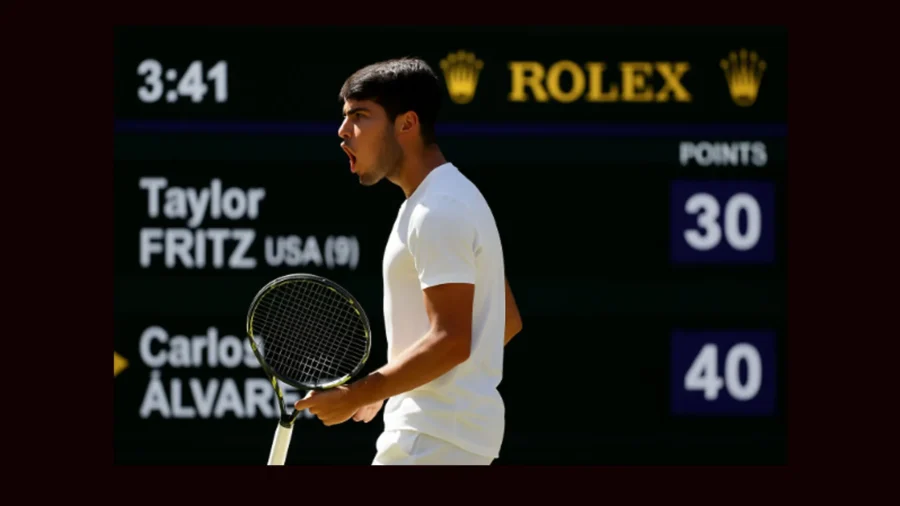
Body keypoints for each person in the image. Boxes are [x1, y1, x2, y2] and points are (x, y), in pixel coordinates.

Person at [293, 57, 523, 465]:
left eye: (360, 115)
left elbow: (453, 340)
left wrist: (358, 394)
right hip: (445, 439)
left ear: (407, 124)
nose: (344, 131)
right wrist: (398, 385)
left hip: (430, 442)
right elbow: (502, 322)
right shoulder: (448, 198)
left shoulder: (438, 209)